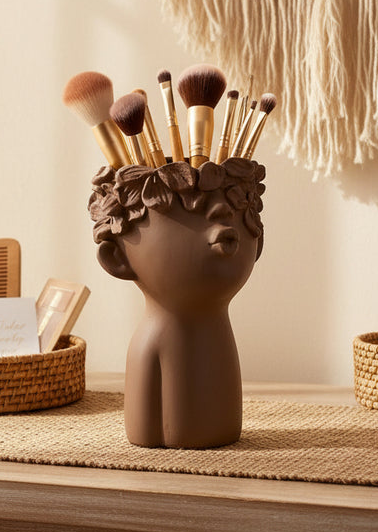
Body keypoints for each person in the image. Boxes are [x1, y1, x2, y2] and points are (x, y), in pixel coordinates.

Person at [89, 158, 265, 448]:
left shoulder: (217, 339)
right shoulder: (149, 347)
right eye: (182, 211)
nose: (221, 211)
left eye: (237, 209)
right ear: (117, 259)